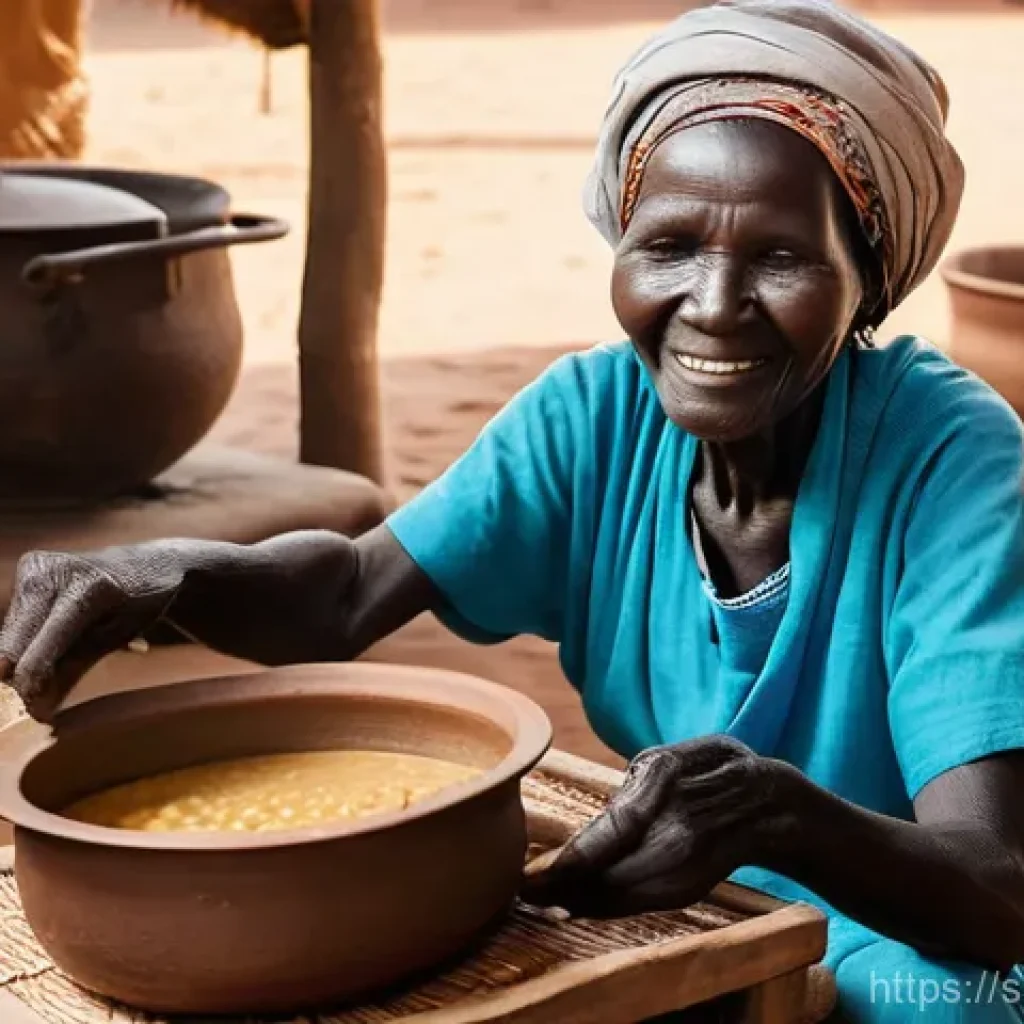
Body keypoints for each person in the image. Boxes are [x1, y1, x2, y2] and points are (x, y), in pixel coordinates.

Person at [2, 1, 1024, 1019]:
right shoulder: (593, 417)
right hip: (703, 906)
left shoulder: (953, 461)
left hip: (914, 934)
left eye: (781, 257)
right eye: (668, 245)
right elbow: (349, 593)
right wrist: (173, 571)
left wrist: (777, 817)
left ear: (870, 283)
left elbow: (999, 889)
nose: (713, 304)